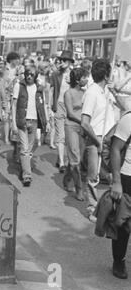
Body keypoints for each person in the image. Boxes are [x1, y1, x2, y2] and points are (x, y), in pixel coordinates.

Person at [81, 59, 117, 223]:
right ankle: (92, 209)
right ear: (105, 74)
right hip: (96, 138)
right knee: (93, 176)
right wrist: (97, 141)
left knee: (111, 175)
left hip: (110, 137)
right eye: (110, 72)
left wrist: (115, 92)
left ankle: (110, 208)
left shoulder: (106, 92)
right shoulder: (92, 92)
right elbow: (85, 123)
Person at [11, 65, 48, 187]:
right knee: (25, 149)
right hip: (22, 120)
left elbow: (43, 105)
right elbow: (14, 105)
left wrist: (46, 121)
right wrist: (14, 124)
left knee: (32, 147)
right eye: (27, 73)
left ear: (36, 75)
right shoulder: (19, 86)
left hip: (35, 120)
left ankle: (24, 165)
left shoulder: (39, 88)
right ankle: (27, 176)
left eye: (32, 74)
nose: (29, 76)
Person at [62, 68, 89, 202]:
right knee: (75, 159)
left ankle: (67, 178)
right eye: (84, 77)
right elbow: (70, 113)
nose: (87, 79)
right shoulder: (68, 93)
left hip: (83, 128)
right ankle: (79, 189)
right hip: (71, 126)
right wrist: (84, 121)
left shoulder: (86, 93)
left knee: (77, 158)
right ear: (78, 80)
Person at [110, 110, 131, 279]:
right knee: (124, 223)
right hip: (127, 177)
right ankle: (119, 260)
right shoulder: (129, 119)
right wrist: (116, 181)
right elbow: (115, 149)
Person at [50, 50, 74, 174]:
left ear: (70, 62)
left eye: (65, 60)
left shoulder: (75, 74)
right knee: (61, 136)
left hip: (71, 108)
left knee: (69, 136)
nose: (62, 62)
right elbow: (51, 90)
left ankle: (61, 159)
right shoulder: (55, 74)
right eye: (61, 60)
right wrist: (50, 108)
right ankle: (62, 163)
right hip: (59, 105)